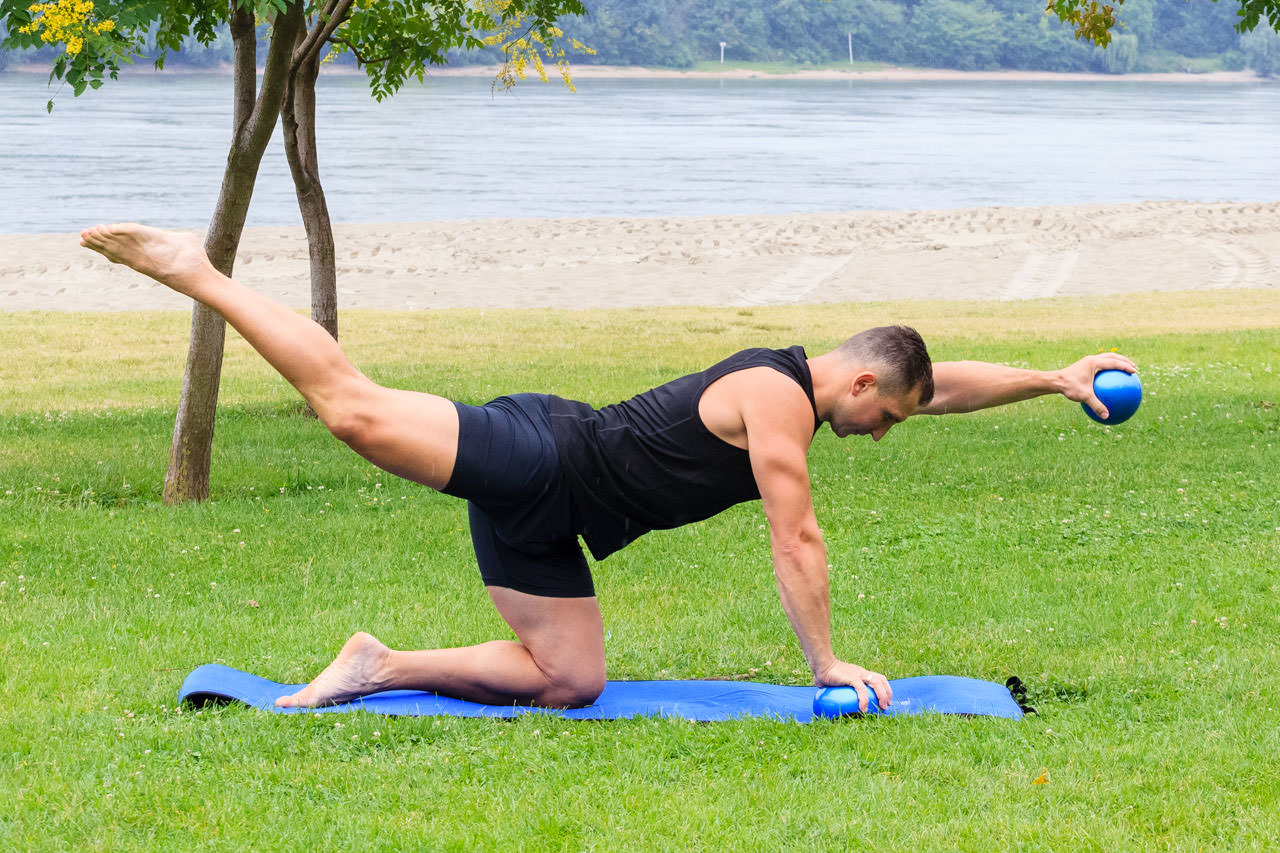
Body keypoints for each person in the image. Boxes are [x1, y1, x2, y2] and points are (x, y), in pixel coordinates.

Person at [80, 223, 1137, 714]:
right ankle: (195, 269)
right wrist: (823, 662)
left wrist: (1051, 376)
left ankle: (375, 663)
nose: (890, 433)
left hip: (551, 523)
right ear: (857, 387)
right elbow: (796, 533)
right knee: (350, 410)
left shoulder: (839, 385)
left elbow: (936, 380)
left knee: (570, 681)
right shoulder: (774, 402)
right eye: (889, 420)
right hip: (540, 452)